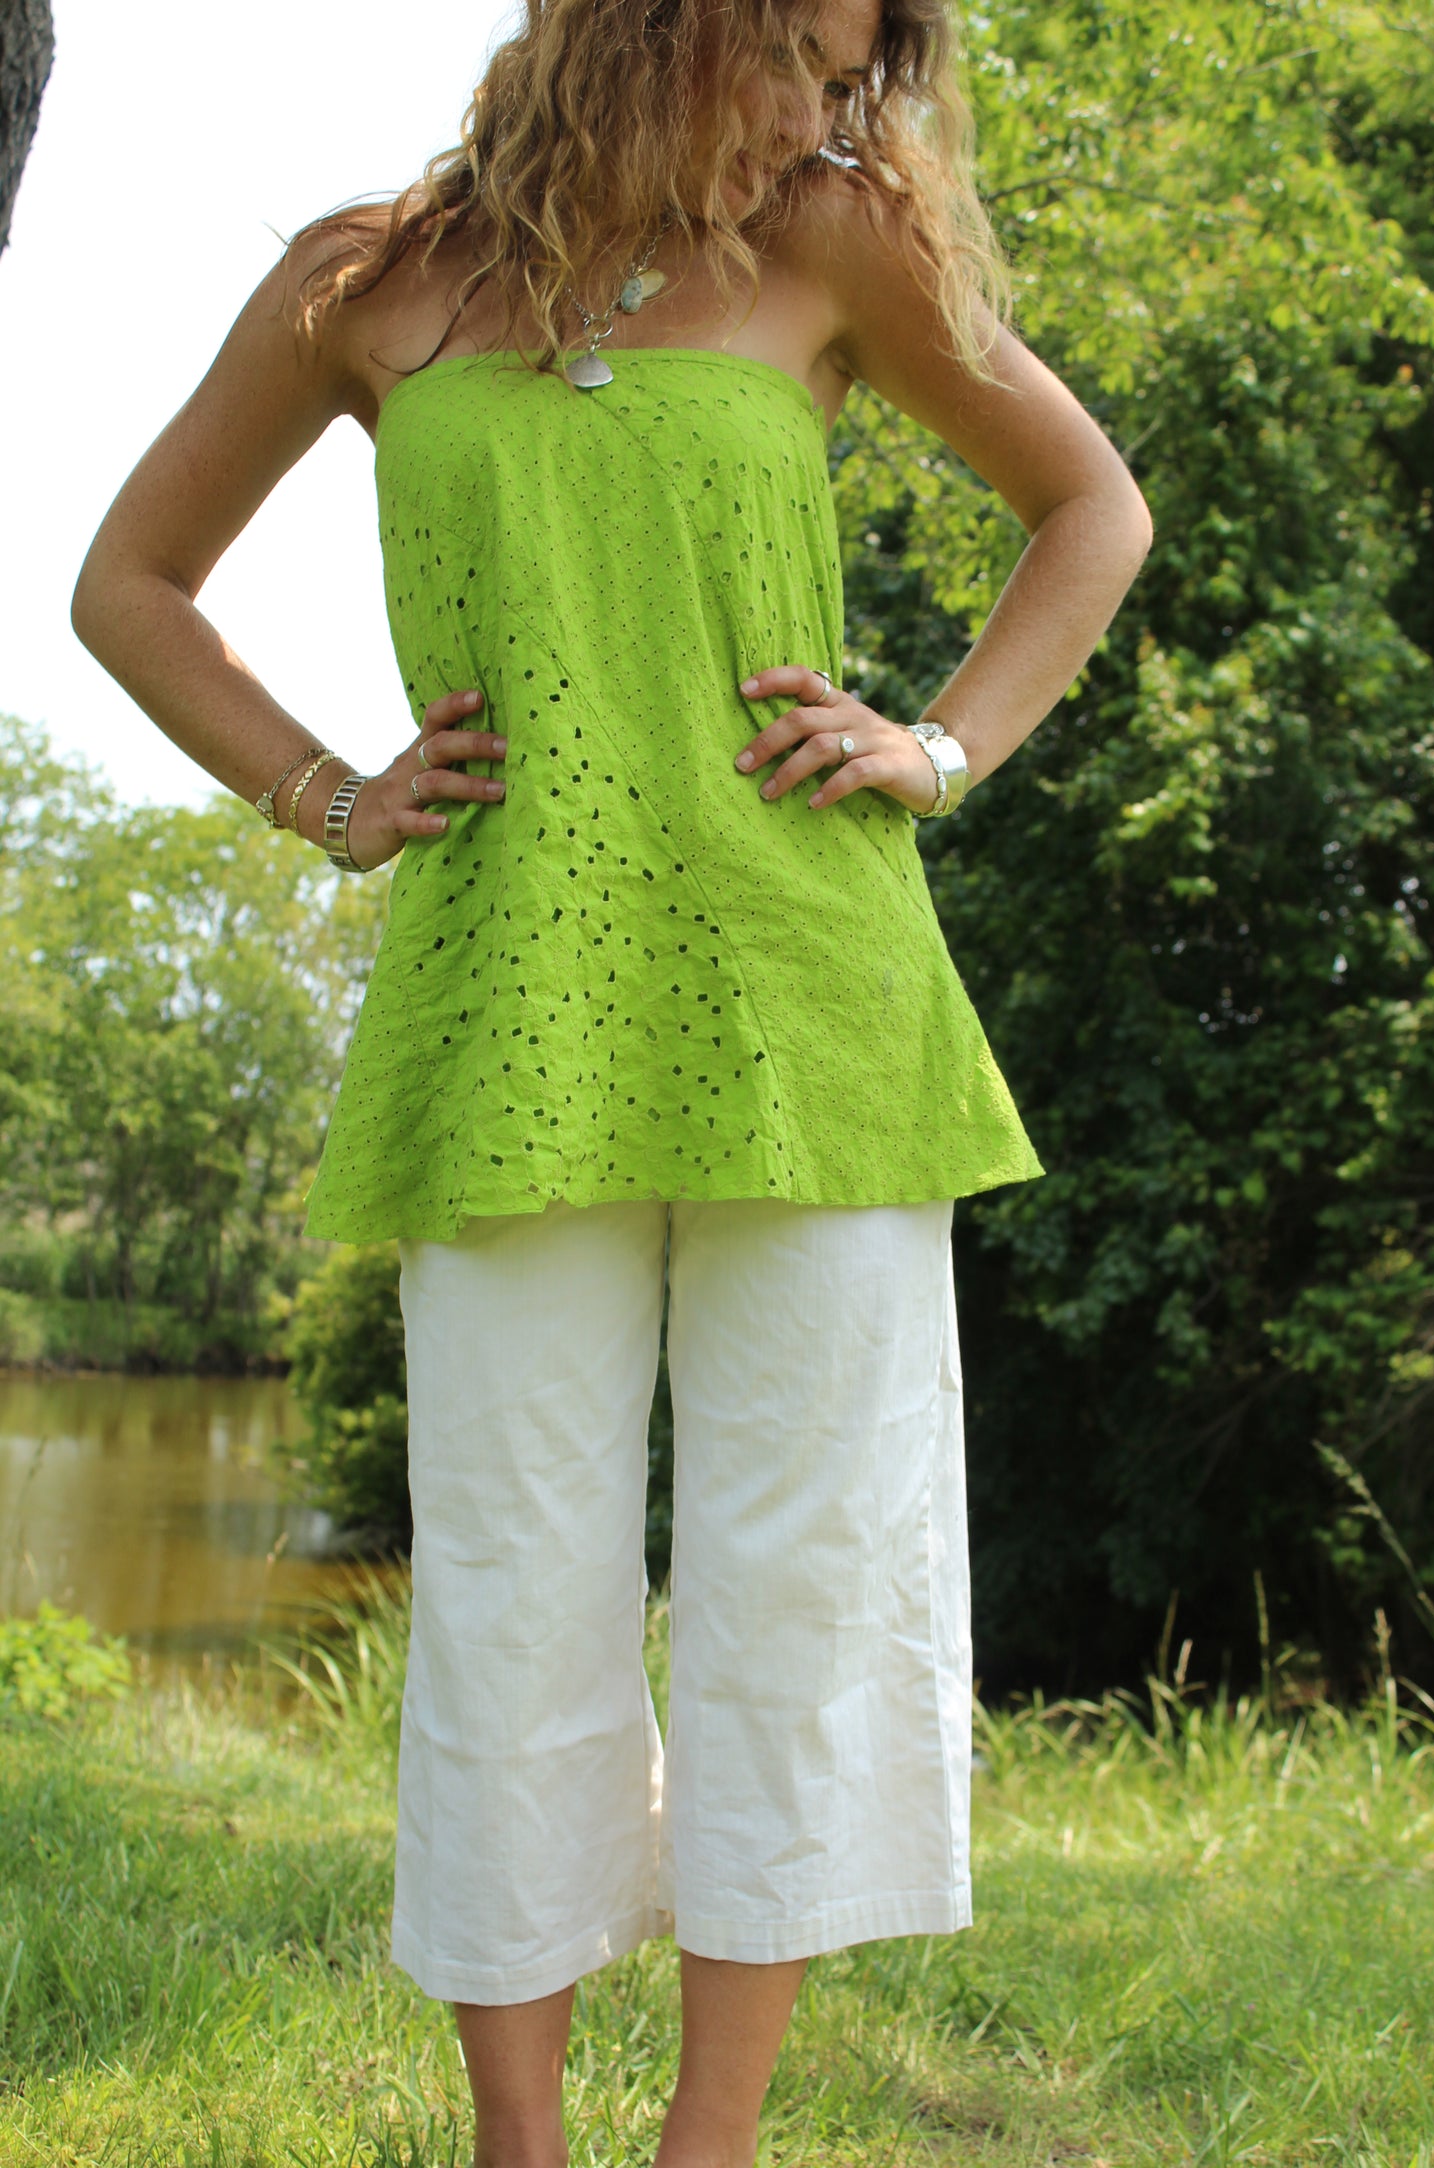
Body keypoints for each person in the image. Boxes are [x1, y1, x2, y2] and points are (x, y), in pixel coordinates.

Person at [73, 0, 1151, 2158]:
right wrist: (324, 794)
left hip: (811, 1007)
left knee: (804, 1581)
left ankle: (709, 2141)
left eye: (857, 74)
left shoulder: (835, 241)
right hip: (507, 1012)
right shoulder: (367, 281)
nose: (831, 108)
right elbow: (132, 586)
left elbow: (1089, 509)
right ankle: (523, 2137)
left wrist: (936, 743)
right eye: (799, 55)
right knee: (507, 1582)